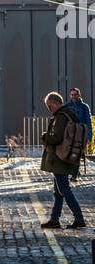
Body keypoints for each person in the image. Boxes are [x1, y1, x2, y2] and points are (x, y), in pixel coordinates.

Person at [40, 91, 86, 229]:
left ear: (56, 103)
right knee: (58, 190)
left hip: (60, 157)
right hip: (66, 156)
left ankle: (79, 218)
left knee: (64, 189)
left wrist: (44, 136)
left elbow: (57, 138)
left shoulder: (61, 116)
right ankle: (55, 219)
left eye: (50, 106)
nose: (49, 109)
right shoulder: (70, 114)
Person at [67, 86, 93, 151]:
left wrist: (89, 136)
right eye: (72, 95)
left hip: (81, 133)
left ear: (79, 95)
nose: (73, 96)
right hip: (70, 133)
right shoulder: (67, 106)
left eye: (75, 94)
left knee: (79, 152)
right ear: (70, 95)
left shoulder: (85, 107)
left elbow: (88, 121)